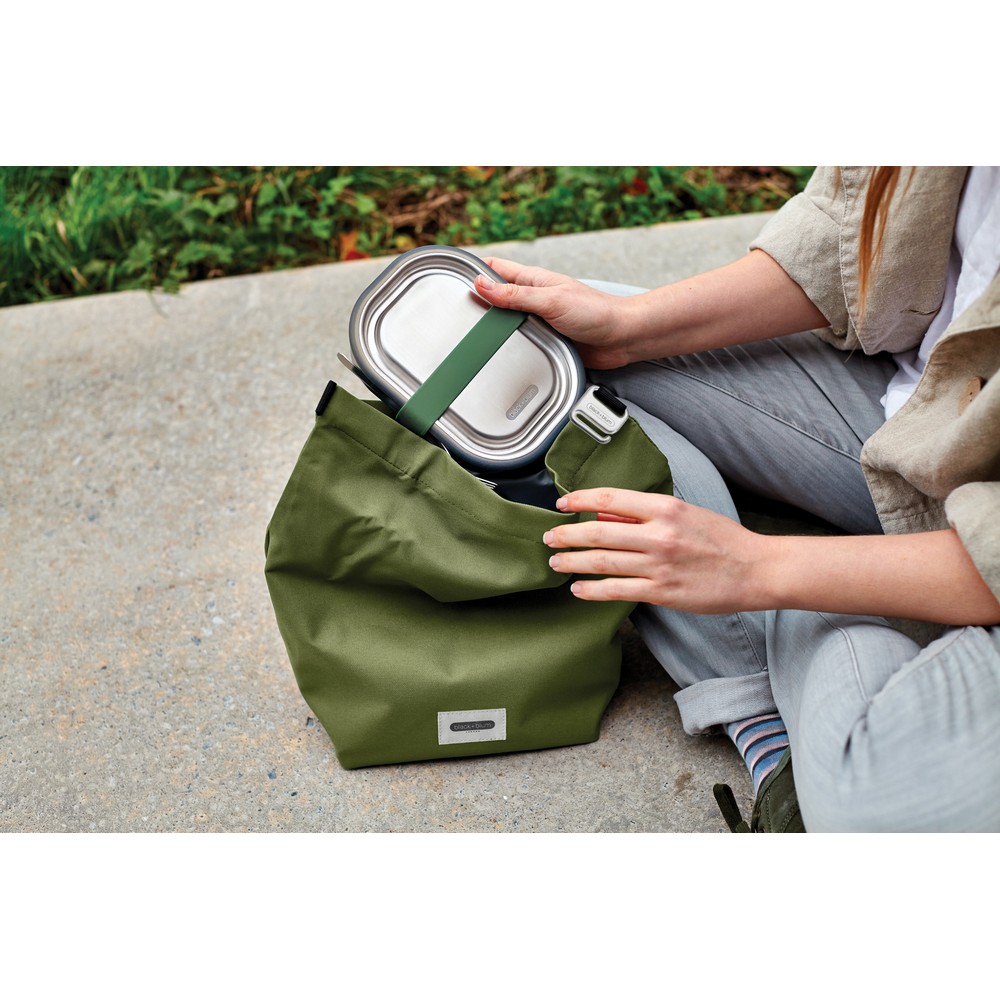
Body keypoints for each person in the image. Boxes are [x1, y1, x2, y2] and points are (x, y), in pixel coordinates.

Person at [471, 165, 1000, 832]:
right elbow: (846, 230)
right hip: (912, 416)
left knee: (880, 811)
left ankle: (789, 681)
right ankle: (809, 625)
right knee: (496, 333)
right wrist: (628, 326)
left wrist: (756, 568)